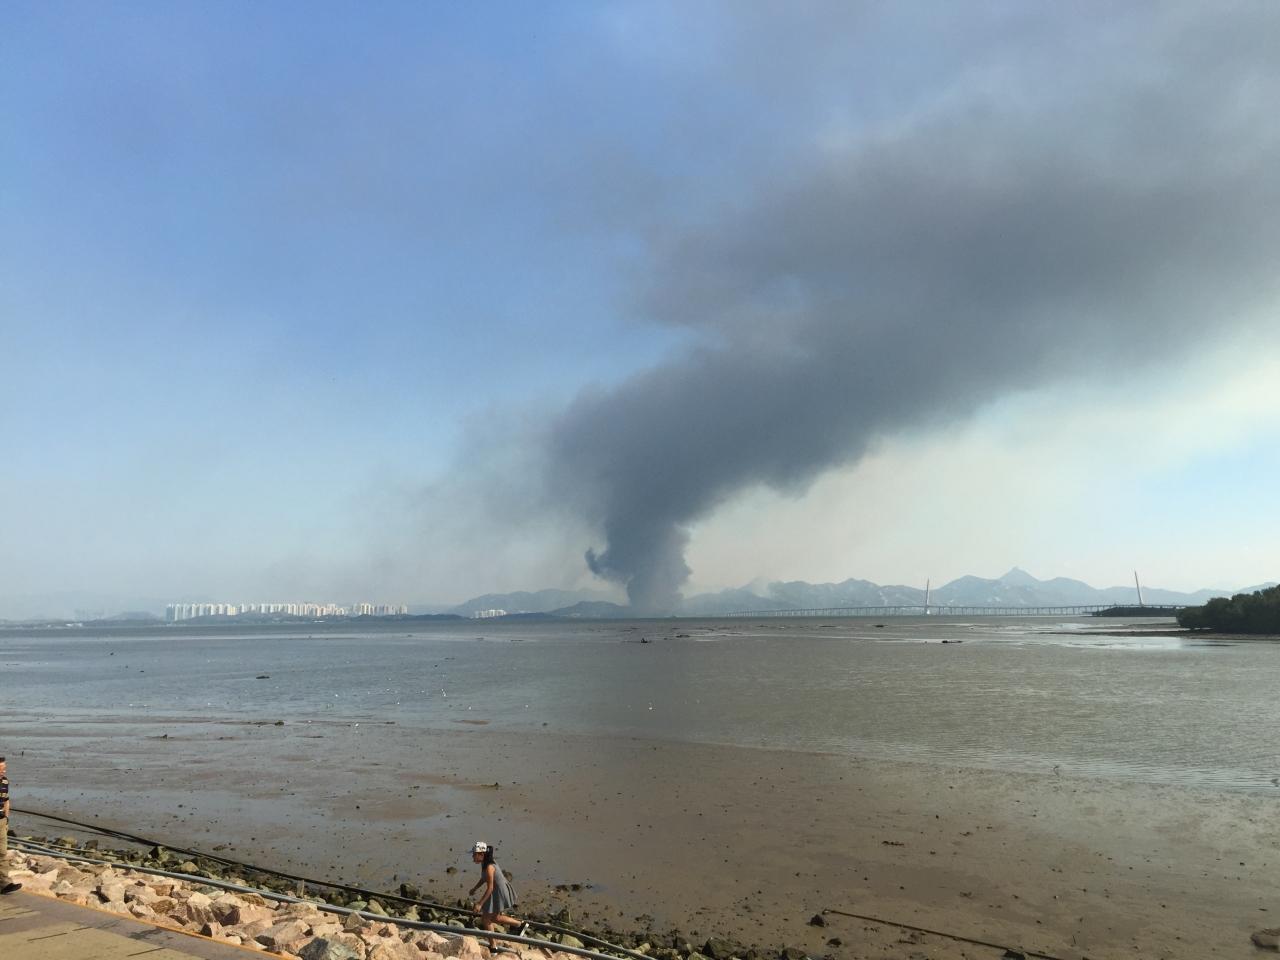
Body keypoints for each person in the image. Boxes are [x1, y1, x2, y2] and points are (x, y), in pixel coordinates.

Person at [466, 841, 525, 951]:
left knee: (486, 919)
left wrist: (480, 904)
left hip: (499, 892)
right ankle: (519, 925)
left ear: (481, 854)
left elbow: (490, 888)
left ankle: (493, 947)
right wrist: (475, 888)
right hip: (496, 890)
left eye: (474, 854)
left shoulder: (489, 867)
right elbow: (484, 878)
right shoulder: (485, 863)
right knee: (494, 917)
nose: (473, 857)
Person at [1, 756, 20, 895]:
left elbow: (6, 800)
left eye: (4, 768)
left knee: (2, 852)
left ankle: (4, 884)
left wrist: (7, 819)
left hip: (2, 822)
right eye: (1, 768)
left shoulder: (5, 781)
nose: (4, 771)